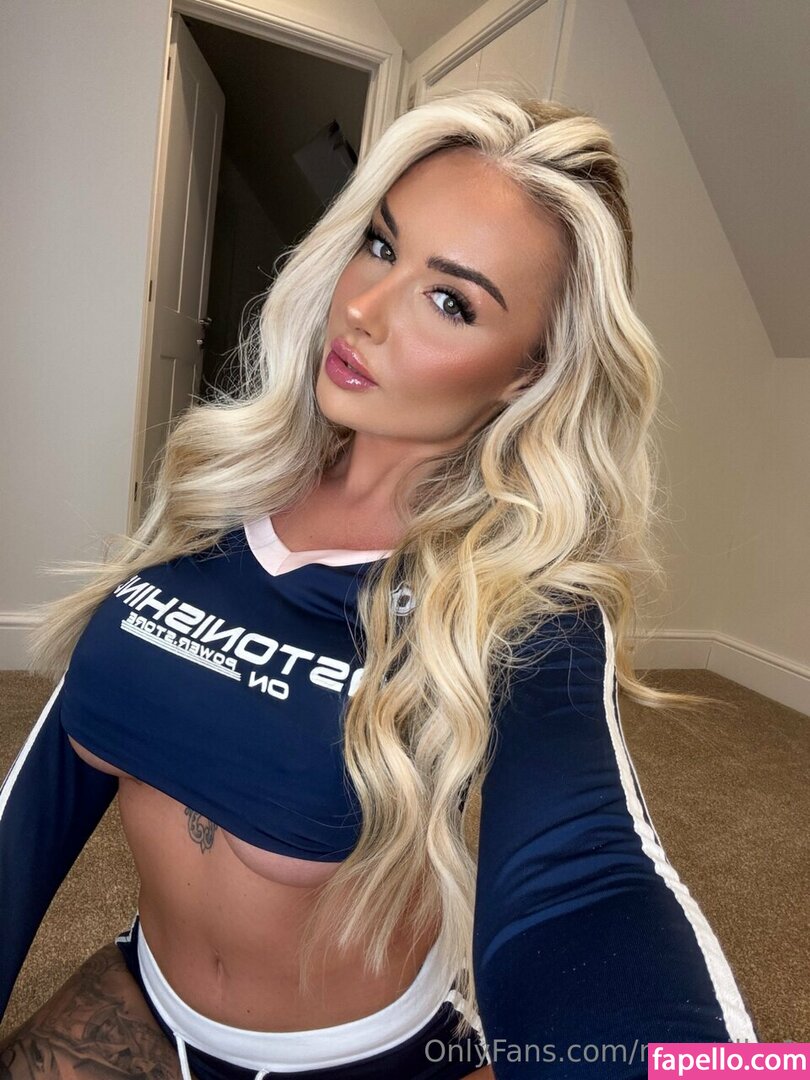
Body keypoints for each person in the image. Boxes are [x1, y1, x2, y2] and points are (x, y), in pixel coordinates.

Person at [0, 88, 758, 1079]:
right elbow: (45, 783)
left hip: (359, 1057)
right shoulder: (219, 487)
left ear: (527, 373)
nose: (361, 309)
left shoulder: (524, 599)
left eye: (451, 301)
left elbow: (588, 886)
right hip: (147, 994)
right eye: (380, 246)